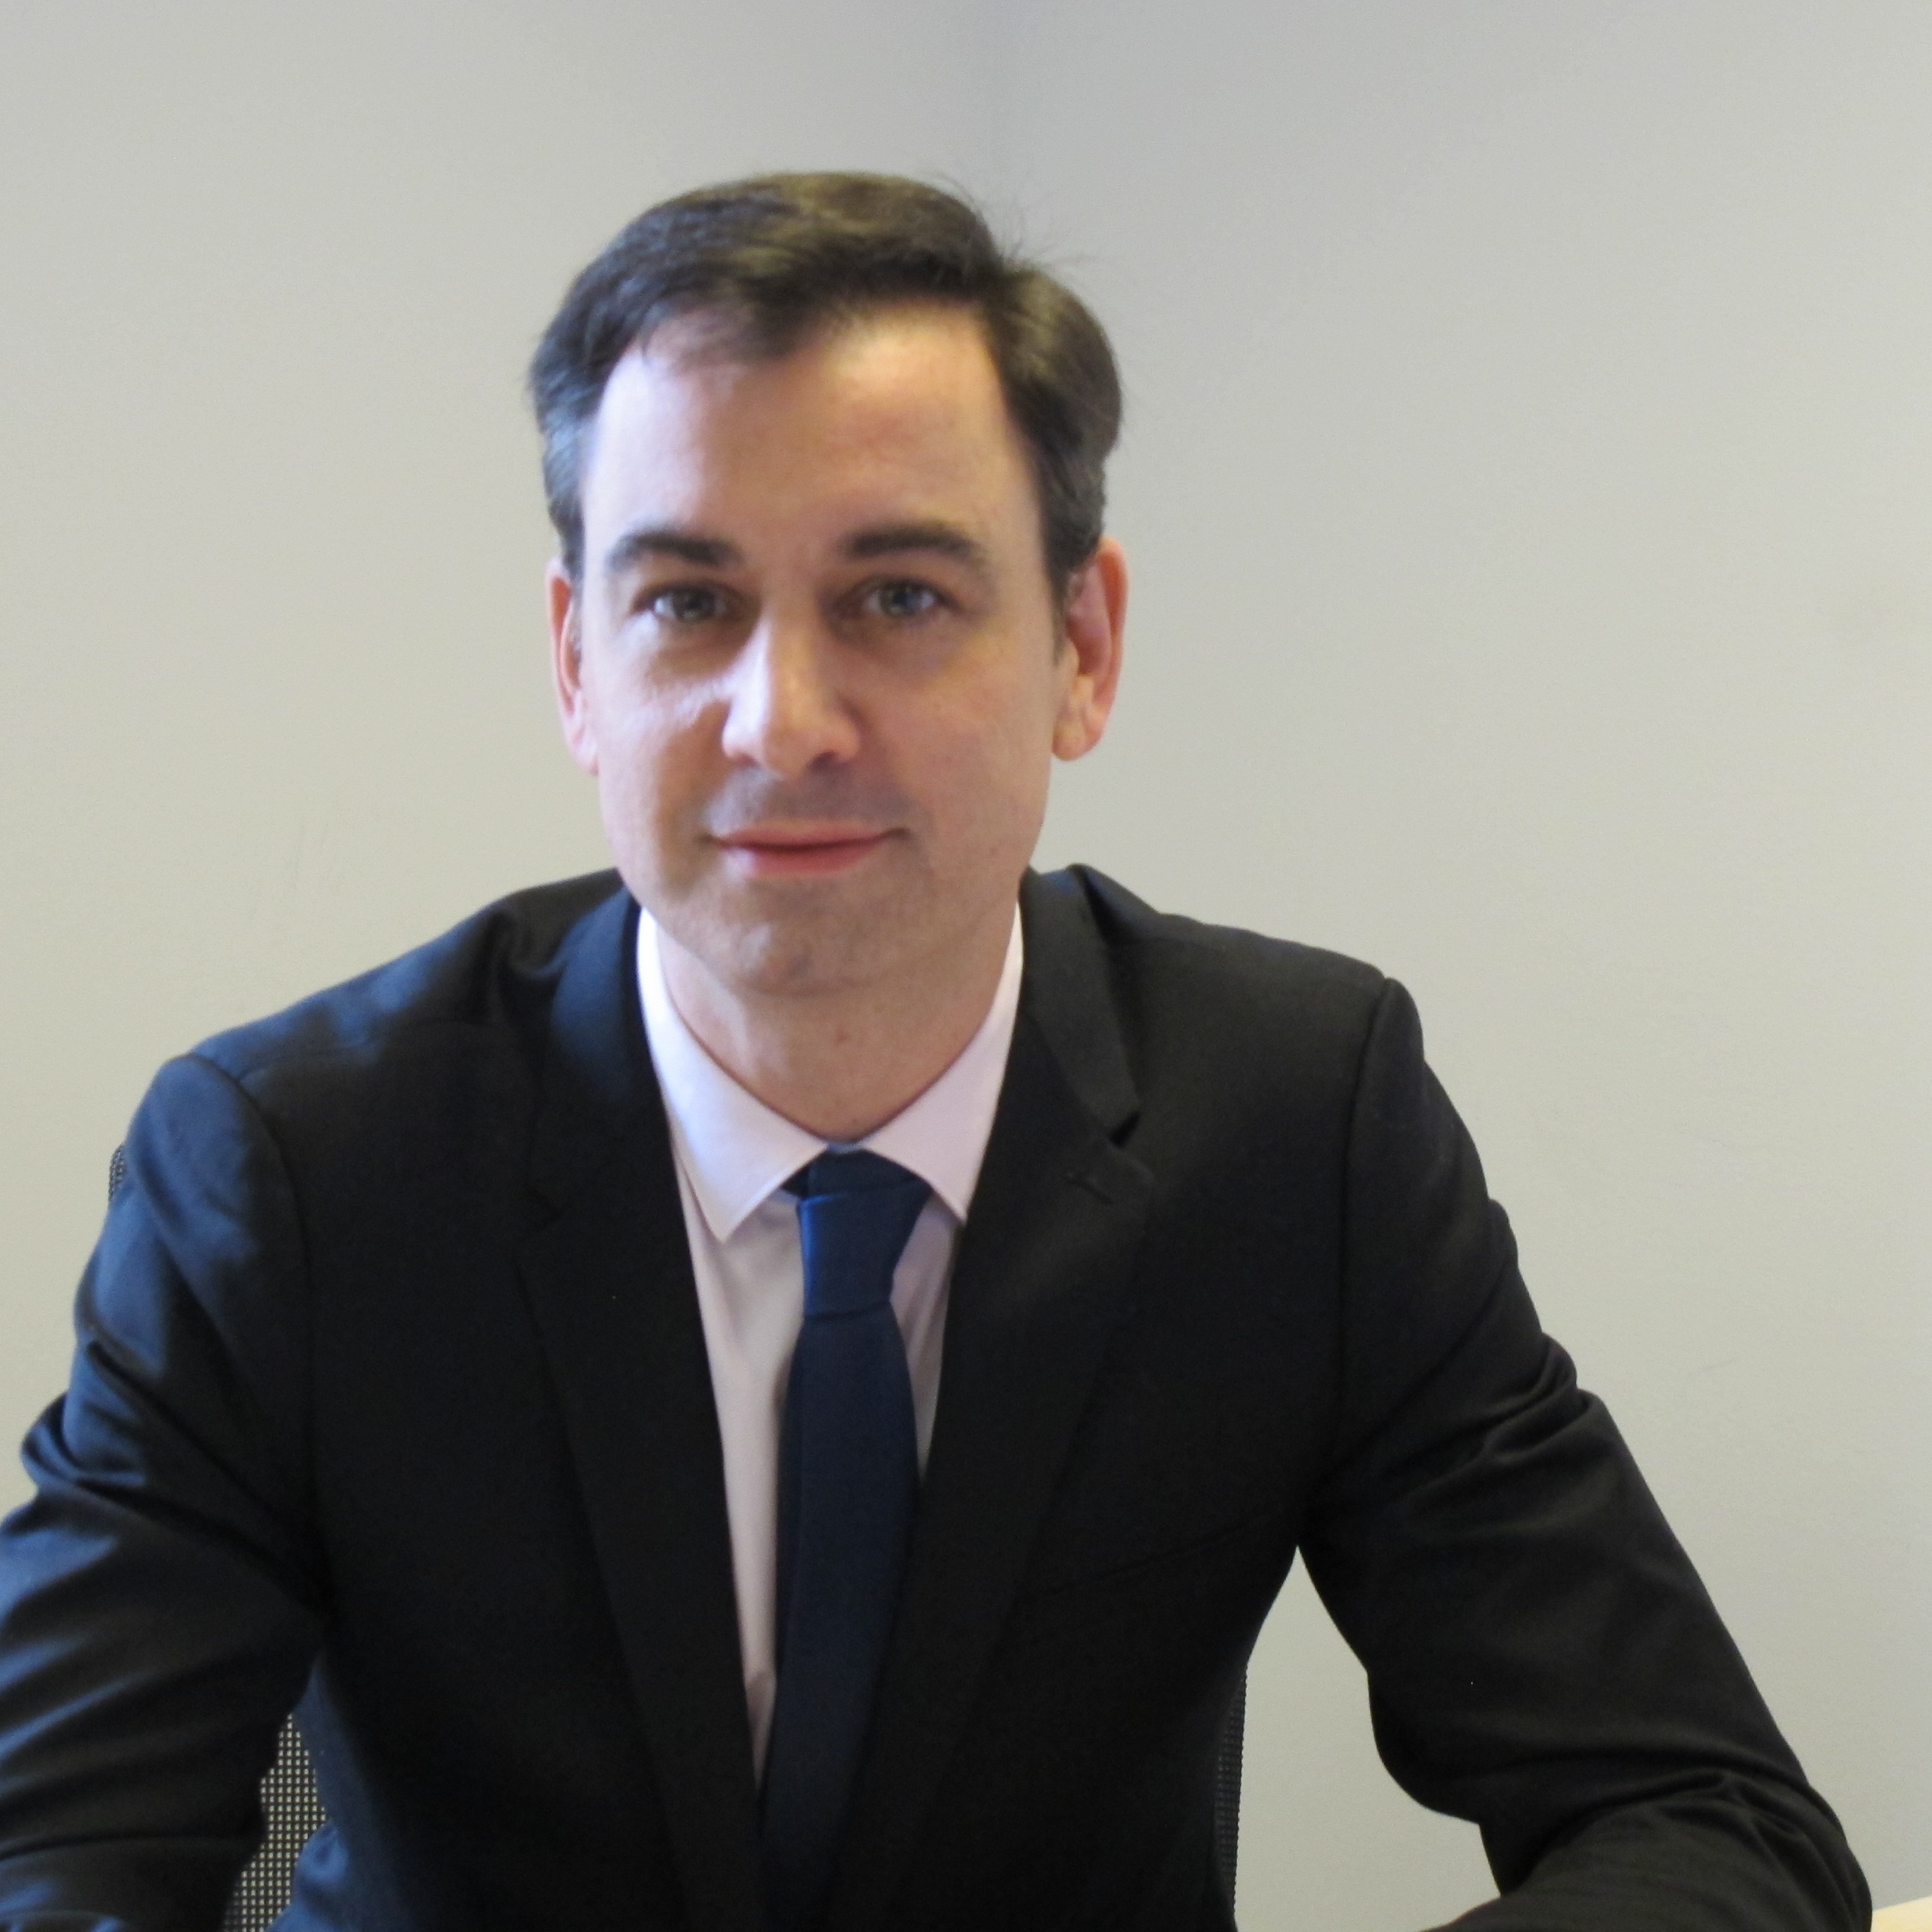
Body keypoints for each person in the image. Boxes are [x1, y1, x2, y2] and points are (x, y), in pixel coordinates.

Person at [0, 173, 1868, 1932]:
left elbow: (1707, 1820)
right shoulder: (295, 1168)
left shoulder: (1298, 1126)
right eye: (688, 602)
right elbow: (50, 1850)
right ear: (578, 663)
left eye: (897, 596)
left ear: (1083, 646)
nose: (782, 720)